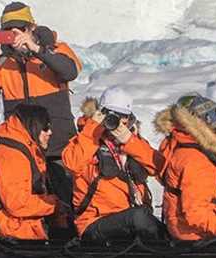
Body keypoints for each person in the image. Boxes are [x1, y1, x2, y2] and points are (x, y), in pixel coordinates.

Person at [0, 1, 82, 154]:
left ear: (32, 27)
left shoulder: (56, 50)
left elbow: (70, 72)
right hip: (21, 149)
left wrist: (37, 49)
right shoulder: (3, 63)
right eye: (9, 31)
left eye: (21, 29)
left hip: (59, 147)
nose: (16, 36)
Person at [62, 87, 162, 244]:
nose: (118, 121)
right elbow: (72, 164)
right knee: (139, 217)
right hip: (95, 222)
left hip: (134, 216)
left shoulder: (134, 141)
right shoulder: (85, 141)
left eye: (123, 116)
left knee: (157, 225)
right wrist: (93, 129)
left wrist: (129, 140)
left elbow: (158, 167)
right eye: (112, 115)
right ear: (101, 114)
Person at [155, 94, 216, 244]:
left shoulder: (196, 147)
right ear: (209, 131)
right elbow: (195, 213)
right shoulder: (196, 161)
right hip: (192, 231)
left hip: (207, 216)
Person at [0, 103, 61, 241]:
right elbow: (17, 204)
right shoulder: (11, 157)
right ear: (32, 127)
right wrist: (54, 204)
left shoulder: (26, 150)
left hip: (9, 220)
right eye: (45, 128)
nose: (50, 132)